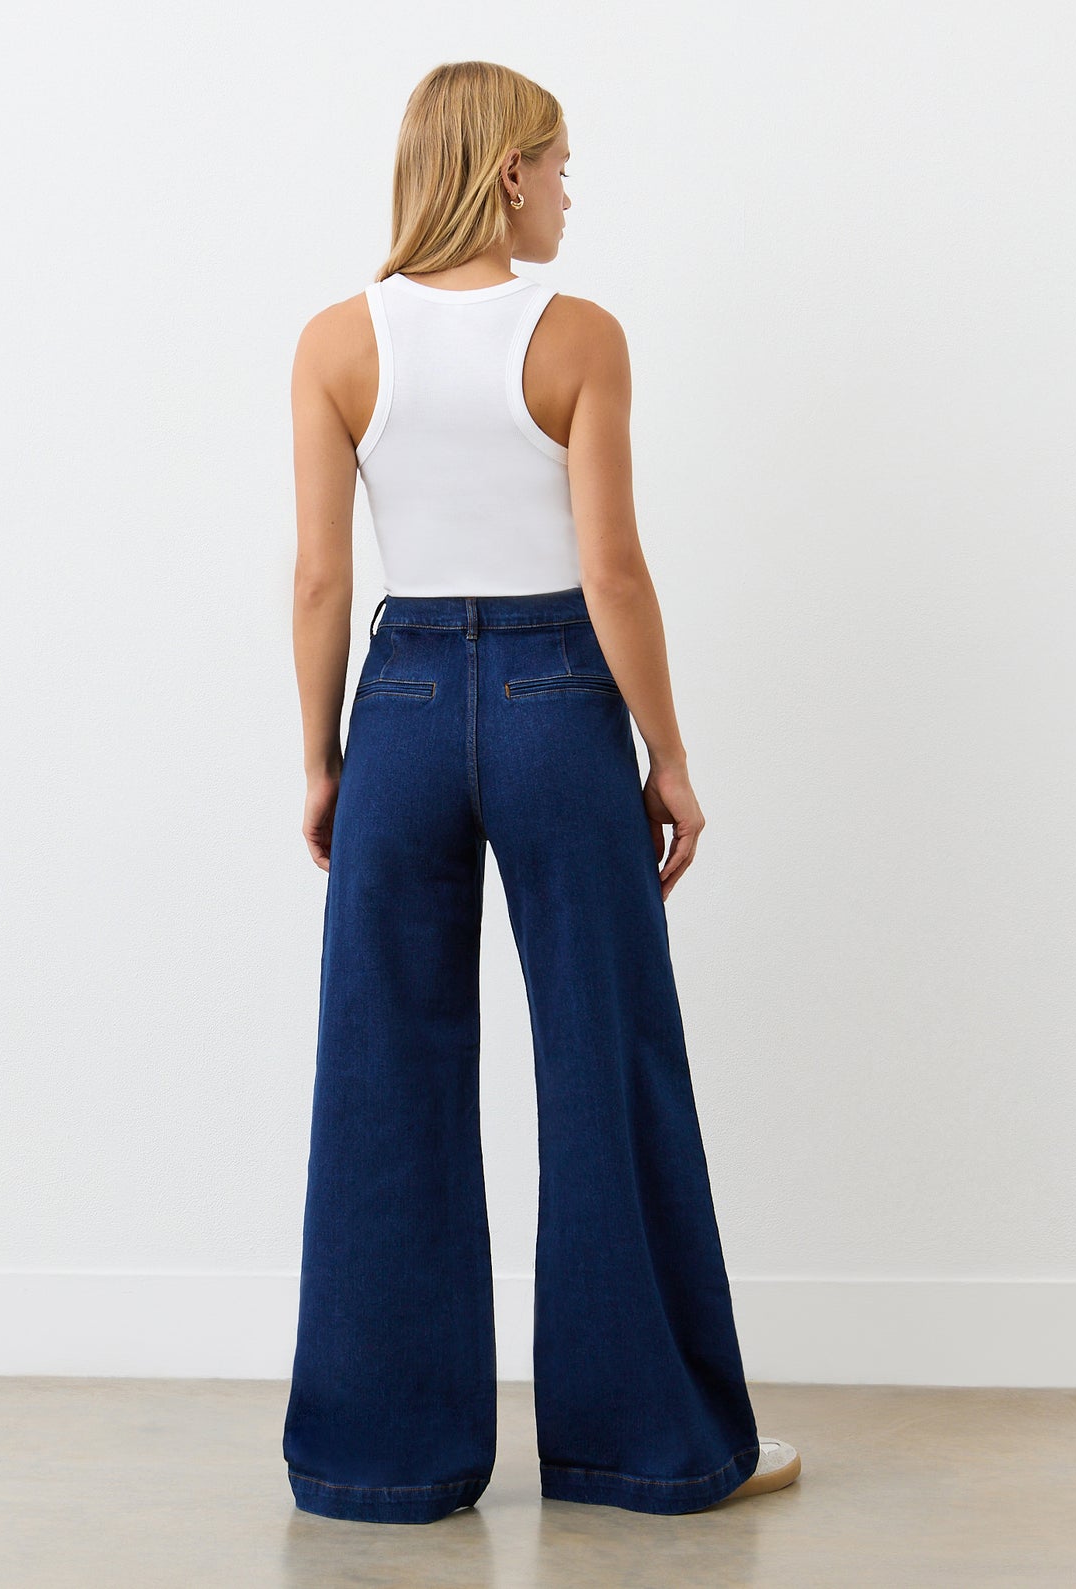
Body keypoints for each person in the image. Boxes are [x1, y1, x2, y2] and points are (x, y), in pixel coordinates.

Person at [282, 59, 802, 1525]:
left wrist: (322, 752)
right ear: (503, 170)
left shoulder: (336, 341)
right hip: (553, 695)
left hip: (393, 702)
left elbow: (325, 576)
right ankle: (650, 1447)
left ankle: (377, 1461)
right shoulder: (576, 337)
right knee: (607, 1054)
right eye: (560, 161)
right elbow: (614, 569)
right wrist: (669, 755)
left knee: (383, 1076)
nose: (572, 187)